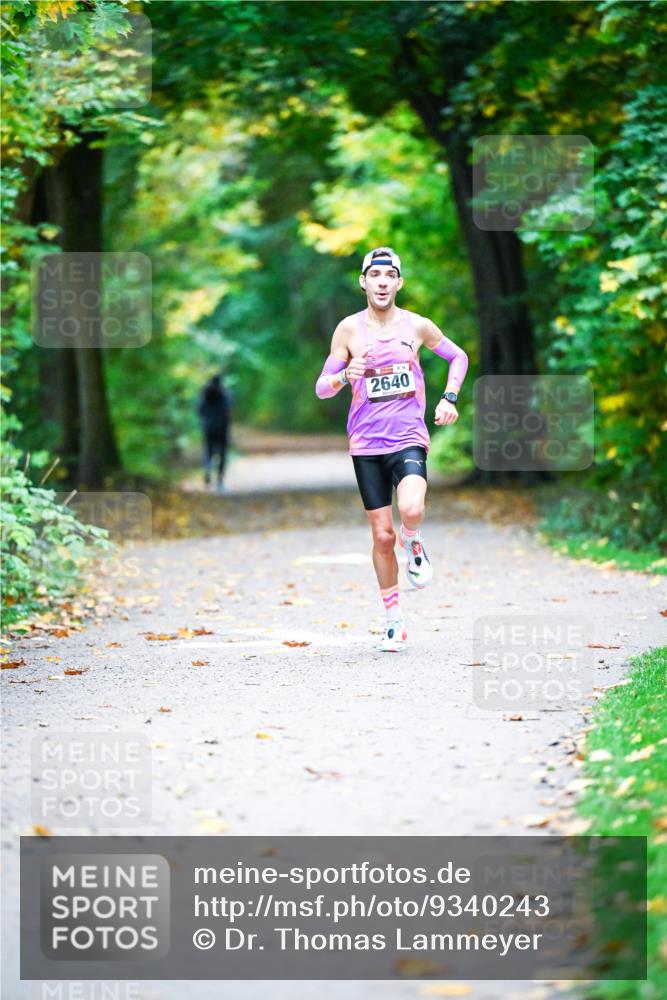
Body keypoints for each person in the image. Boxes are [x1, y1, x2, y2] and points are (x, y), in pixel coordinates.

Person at [315, 247, 468, 652]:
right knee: (382, 536)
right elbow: (321, 387)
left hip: (408, 436)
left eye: (390, 275)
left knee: (411, 510)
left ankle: (414, 541)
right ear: (363, 281)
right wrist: (344, 377)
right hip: (365, 444)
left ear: (398, 282)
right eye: (375, 275)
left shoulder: (417, 326)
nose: (382, 282)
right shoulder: (348, 330)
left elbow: (458, 356)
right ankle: (393, 621)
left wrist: (449, 397)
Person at [198, 373, 231, 491]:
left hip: (208, 427)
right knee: (222, 454)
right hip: (222, 428)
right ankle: (220, 482)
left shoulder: (205, 395)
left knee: (209, 451)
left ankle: (208, 467)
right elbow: (229, 410)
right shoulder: (226, 394)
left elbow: (199, 411)